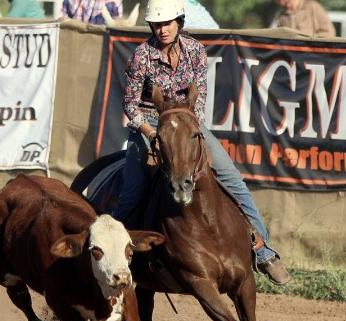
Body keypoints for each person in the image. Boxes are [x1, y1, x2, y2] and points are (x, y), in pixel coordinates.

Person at [114, 0, 291, 285]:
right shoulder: (141, 55)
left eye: (167, 23)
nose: (162, 30)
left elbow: (199, 97)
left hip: (187, 124)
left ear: (179, 22)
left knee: (232, 179)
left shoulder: (196, 50)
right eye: (157, 25)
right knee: (133, 190)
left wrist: (187, 129)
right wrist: (151, 134)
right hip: (149, 123)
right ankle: (118, 257)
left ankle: (263, 252)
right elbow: (130, 104)